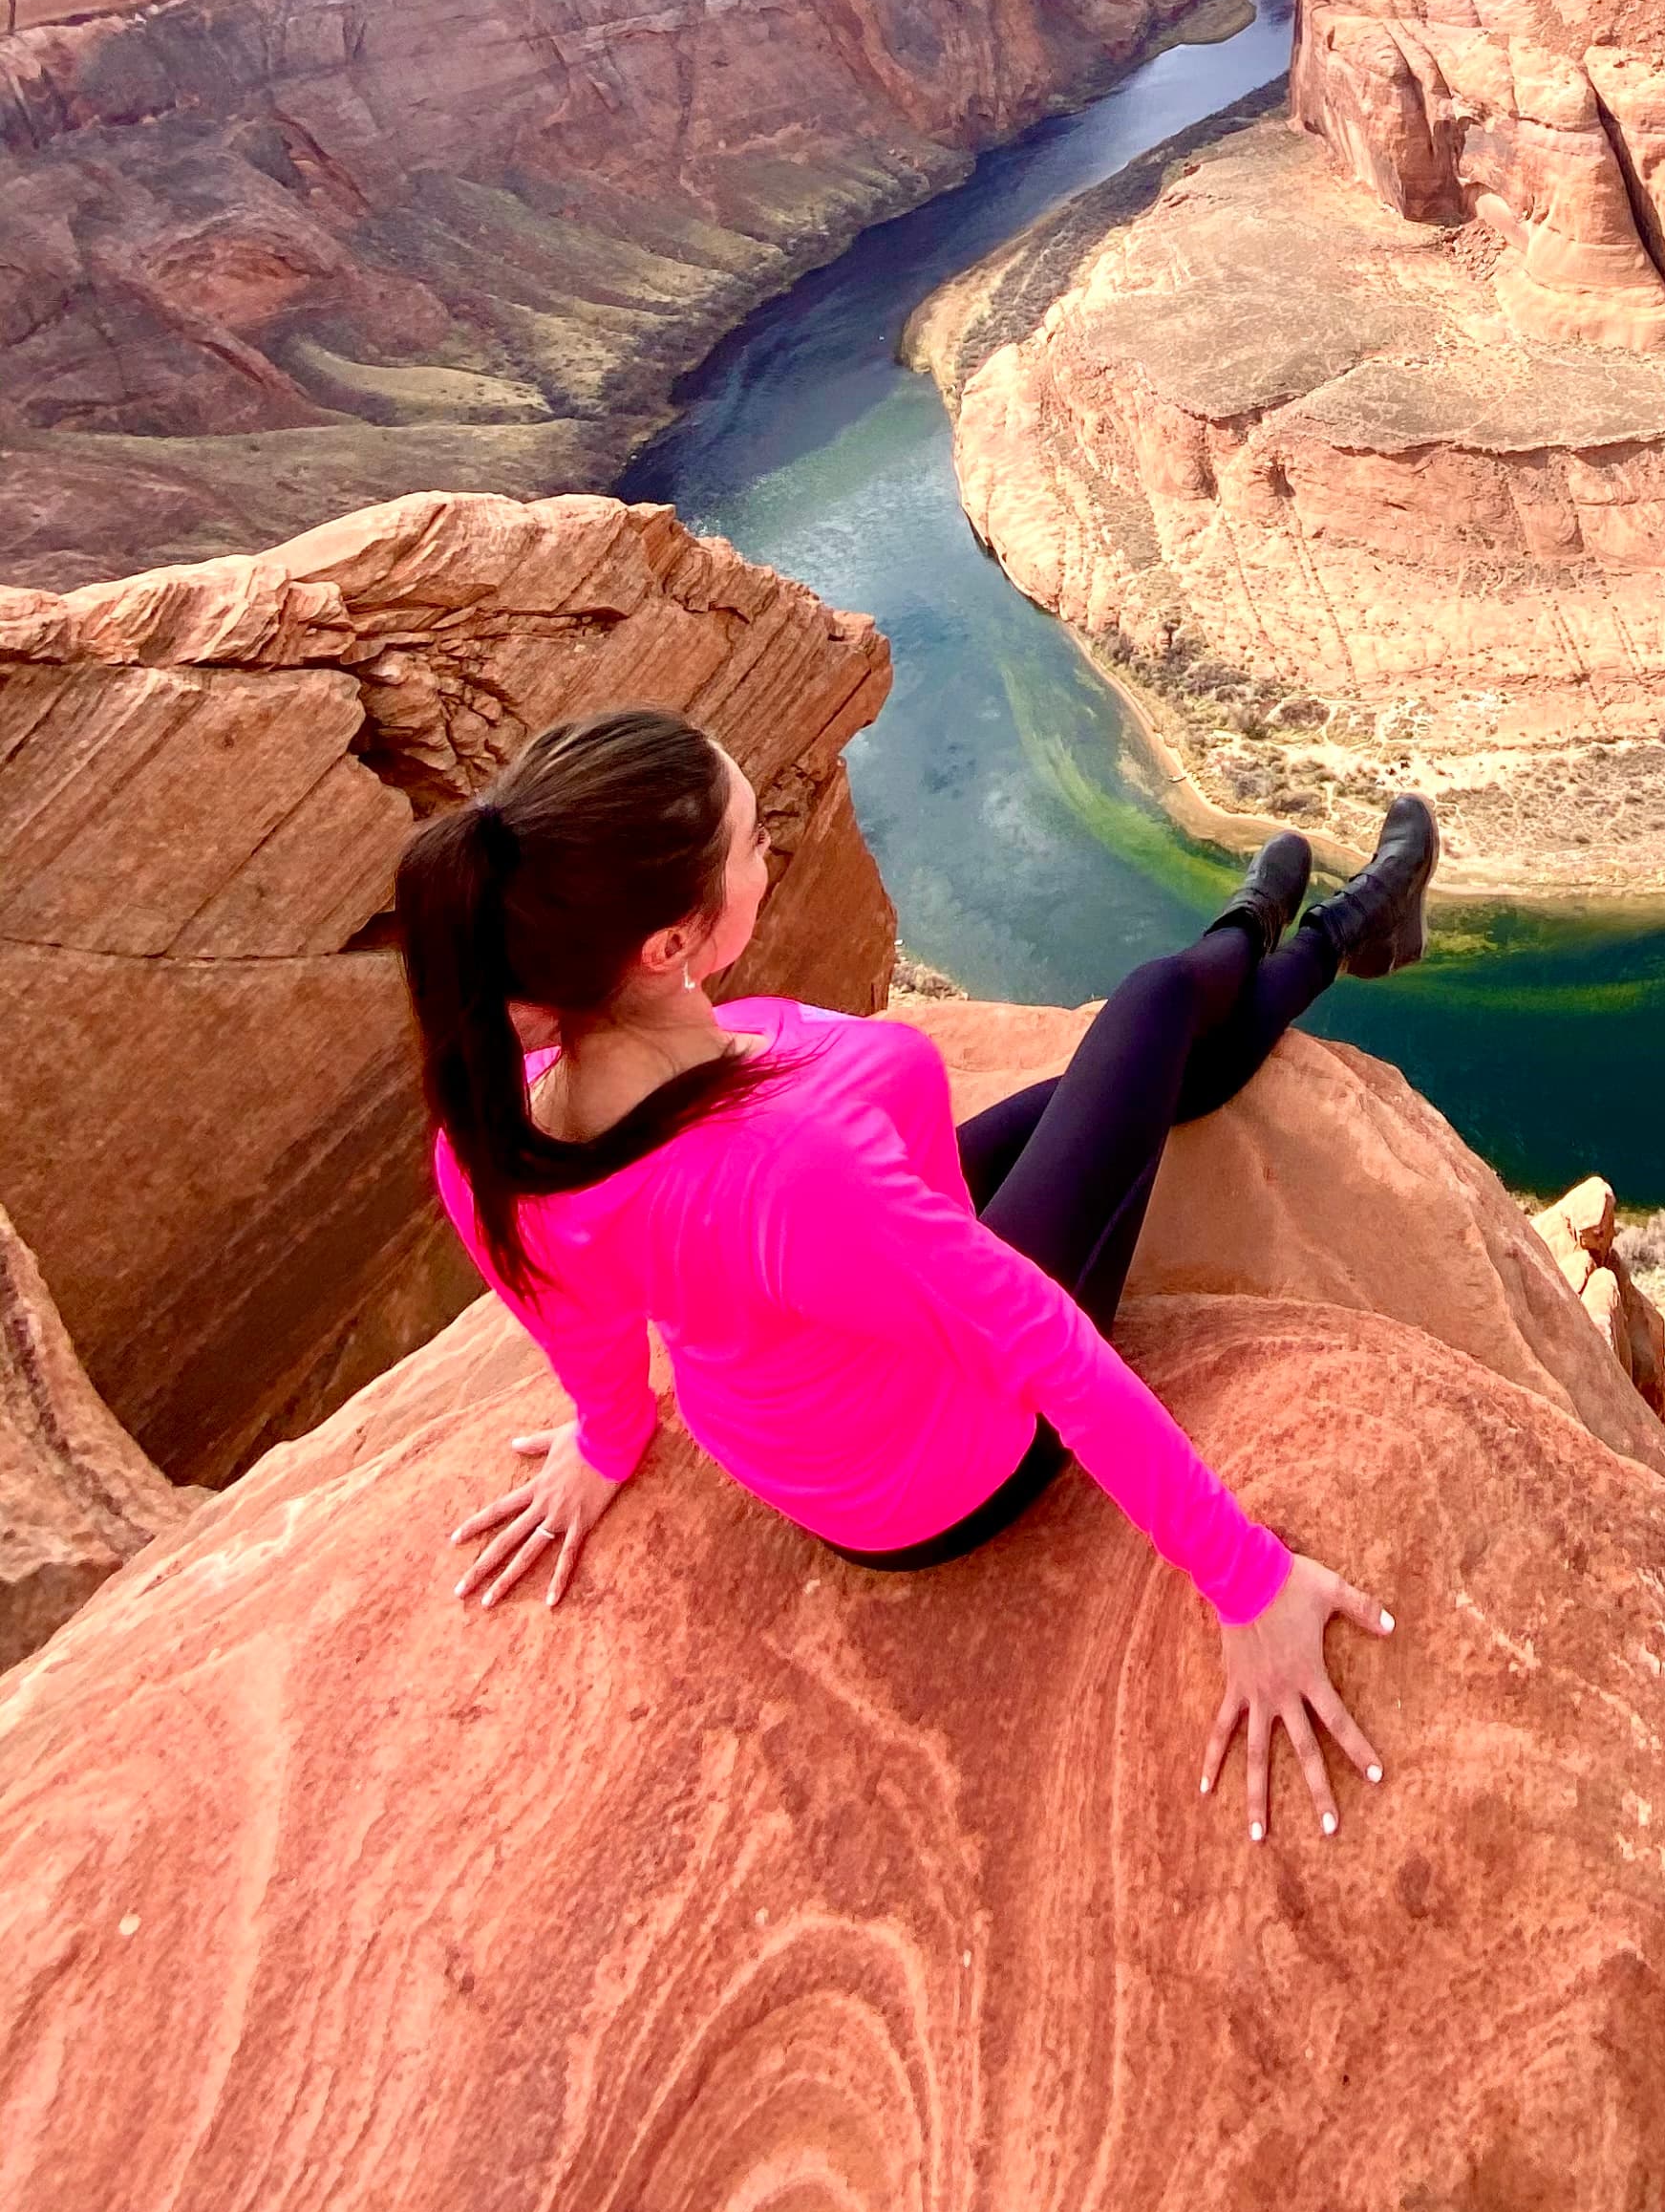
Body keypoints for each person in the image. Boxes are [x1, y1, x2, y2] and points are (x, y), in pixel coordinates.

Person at [397, 701, 1439, 1847]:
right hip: (952, 1456)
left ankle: (1282, 929)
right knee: (1149, 1012)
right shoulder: (796, 1172)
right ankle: (1325, 933)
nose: (767, 848)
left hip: (834, 1329)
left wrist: (608, 1439)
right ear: (667, 945)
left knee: (1134, 1071)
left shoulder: (506, 1130)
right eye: (749, 840)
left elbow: (578, 1313)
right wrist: (1248, 1583)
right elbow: (1044, 1348)